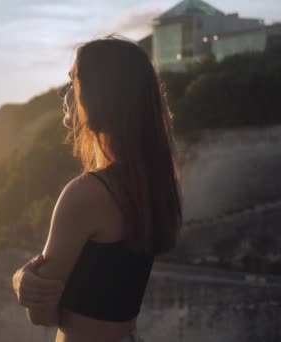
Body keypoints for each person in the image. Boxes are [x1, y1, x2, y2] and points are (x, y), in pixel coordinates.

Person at [12, 36, 182, 342]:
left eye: (72, 83)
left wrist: (21, 280)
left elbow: (42, 315)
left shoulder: (87, 194)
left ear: (98, 94)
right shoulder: (151, 184)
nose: (65, 94)